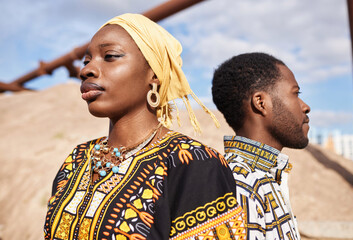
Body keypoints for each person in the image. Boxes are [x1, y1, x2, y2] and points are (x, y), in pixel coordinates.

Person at [44, 13, 245, 240]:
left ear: (153, 75)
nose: (86, 70)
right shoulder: (78, 158)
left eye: (109, 56)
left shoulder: (194, 163)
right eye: (86, 60)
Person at [212, 52, 311, 239]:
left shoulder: (262, 176)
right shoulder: (242, 184)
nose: (305, 106)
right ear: (261, 102)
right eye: (296, 93)